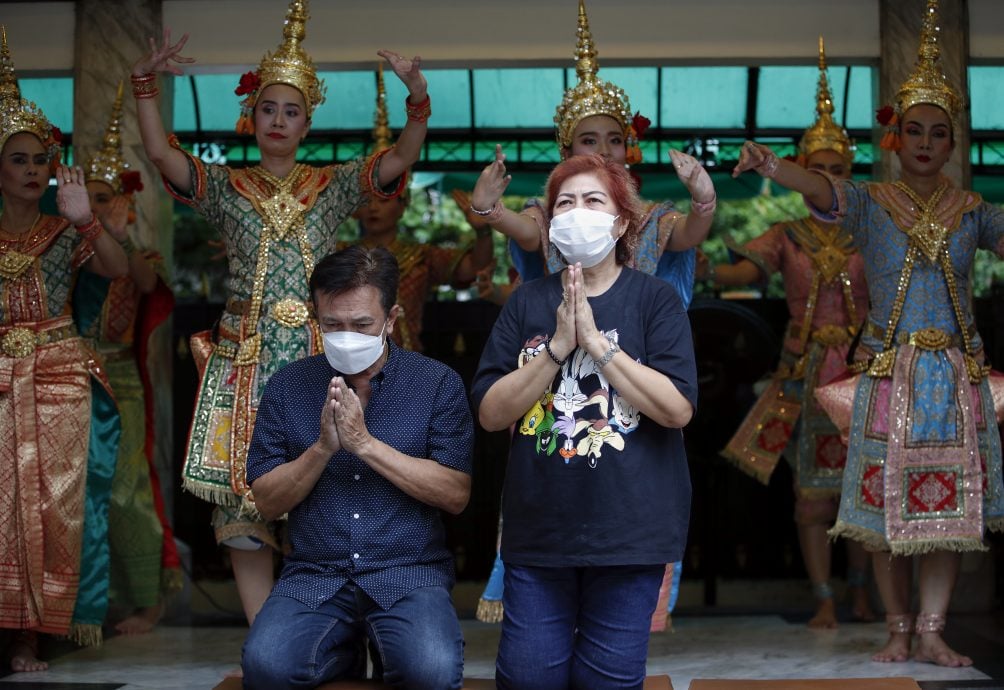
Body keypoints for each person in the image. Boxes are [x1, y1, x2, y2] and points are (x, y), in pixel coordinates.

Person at [130, 0, 429, 628]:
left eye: (291, 111)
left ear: (306, 121)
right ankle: (268, 636)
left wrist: (418, 99)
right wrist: (144, 86)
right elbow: (160, 157)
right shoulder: (225, 187)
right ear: (252, 112)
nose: (278, 120)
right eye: (268, 107)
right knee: (244, 496)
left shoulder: (333, 184)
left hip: (325, 357)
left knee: (333, 484)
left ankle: (332, 629)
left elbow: (399, 160)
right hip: (246, 358)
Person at [732, 0, 1004, 667]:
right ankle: (898, 629)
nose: (925, 144)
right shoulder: (869, 202)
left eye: (938, 134)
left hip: (954, 379)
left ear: (953, 142)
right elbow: (819, 189)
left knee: (951, 518)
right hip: (888, 373)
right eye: (914, 130)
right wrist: (771, 165)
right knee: (883, 517)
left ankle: (933, 632)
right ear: (894, 137)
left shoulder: (974, 211)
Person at [470, 0, 713, 627]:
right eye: (588, 141)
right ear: (565, 150)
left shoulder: (652, 221)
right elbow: (526, 231)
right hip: (552, 387)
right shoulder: (547, 229)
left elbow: (690, 233)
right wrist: (488, 211)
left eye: (613, 139)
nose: (605, 148)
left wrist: (706, 199)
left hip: (643, 368)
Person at [472, 154, 698, 689]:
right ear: (550, 224)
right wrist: (556, 349)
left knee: (608, 682)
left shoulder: (654, 300)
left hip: (630, 532)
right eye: (565, 203)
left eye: (593, 201)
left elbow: (677, 408)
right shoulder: (527, 301)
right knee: (528, 678)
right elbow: (490, 413)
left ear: (621, 222)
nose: (577, 212)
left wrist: (597, 346)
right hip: (540, 531)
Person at [241, 245, 473, 689]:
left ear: (391, 318)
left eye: (362, 325)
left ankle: (374, 647)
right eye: (332, 325)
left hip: (408, 571)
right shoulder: (288, 386)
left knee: (430, 672)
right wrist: (322, 449)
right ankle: (340, 647)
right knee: (267, 666)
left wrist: (365, 444)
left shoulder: (436, 383)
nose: (347, 335)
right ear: (316, 319)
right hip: (316, 573)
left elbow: (455, 494)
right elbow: (267, 502)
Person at [706, 38, 874, 629]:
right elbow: (741, 272)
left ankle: (859, 589)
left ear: (850, 175)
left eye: (835, 170)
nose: (825, 178)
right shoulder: (786, 234)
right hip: (803, 378)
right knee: (811, 497)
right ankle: (825, 594)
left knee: (862, 488)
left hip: (864, 377)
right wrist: (699, 260)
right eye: (816, 169)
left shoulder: (871, 229)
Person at [0, 25, 129, 670]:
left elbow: (117, 269)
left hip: (55, 377)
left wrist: (86, 217)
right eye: (18, 160)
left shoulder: (62, 229)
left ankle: (30, 631)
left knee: (48, 504)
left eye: (39, 160)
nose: (31, 170)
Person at [77, 82, 181, 637]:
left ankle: (147, 600)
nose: (91, 207)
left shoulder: (142, 255)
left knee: (124, 488)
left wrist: (111, 234)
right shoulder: (62, 252)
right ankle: (85, 599)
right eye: (86, 198)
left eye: (102, 198)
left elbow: (142, 283)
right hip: (68, 376)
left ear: (123, 202)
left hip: (121, 380)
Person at [347, 65, 493, 352]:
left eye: (385, 200)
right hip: (347, 363)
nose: (374, 208)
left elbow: (474, 268)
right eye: (368, 201)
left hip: (406, 363)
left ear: (404, 206)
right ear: (355, 209)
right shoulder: (339, 256)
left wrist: (483, 231)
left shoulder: (421, 256)